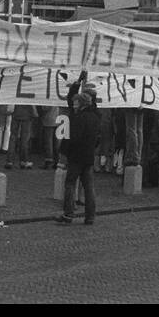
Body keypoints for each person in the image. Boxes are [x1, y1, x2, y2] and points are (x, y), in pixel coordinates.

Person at [57, 82, 99, 225]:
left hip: (76, 157)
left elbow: (72, 138)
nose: (73, 105)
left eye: (76, 103)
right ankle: (90, 216)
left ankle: (68, 214)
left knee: (70, 184)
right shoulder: (95, 116)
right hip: (88, 156)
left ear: (81, 104)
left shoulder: (77, 118)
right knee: (89, 187)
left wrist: (63, 153)